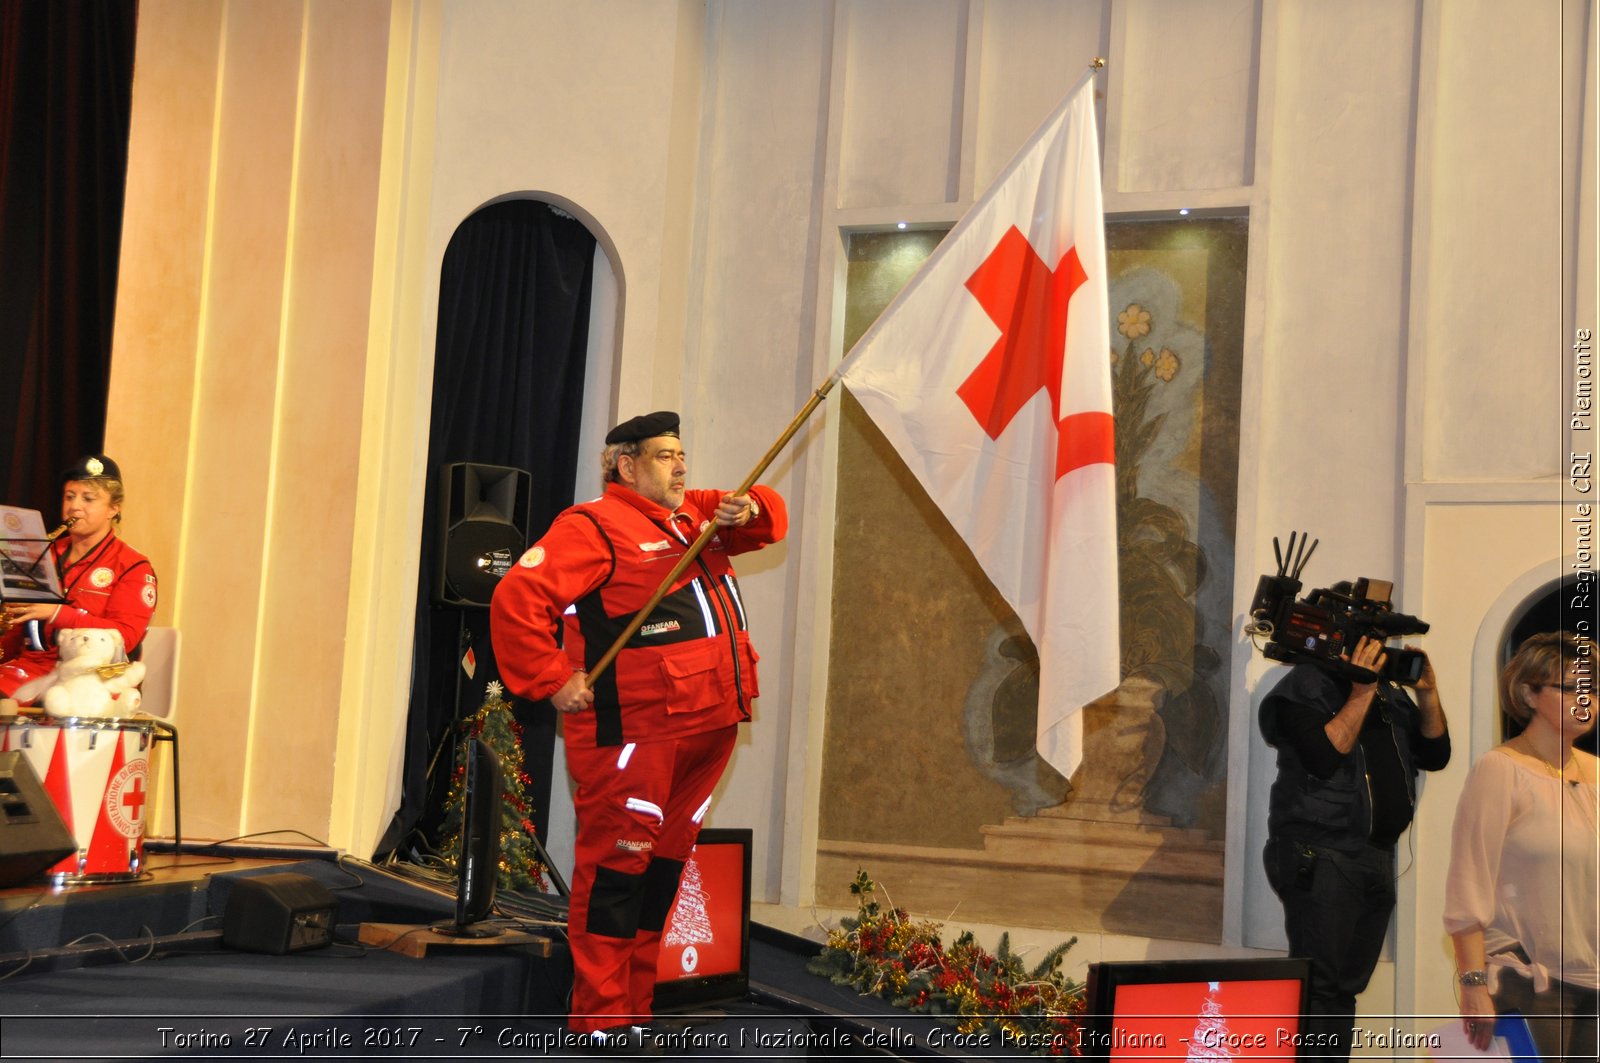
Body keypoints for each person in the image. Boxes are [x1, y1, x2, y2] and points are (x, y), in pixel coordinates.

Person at [490, 411, 786, 1054]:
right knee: (617, 879)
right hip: (636, 736)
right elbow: (517, 597)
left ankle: (636, 1013)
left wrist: (750, 507)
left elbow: (768, 514)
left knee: (662, 877)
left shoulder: (693, 515)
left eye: (682, 454)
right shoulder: (593, 526)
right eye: (663, 456)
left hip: (708, 731)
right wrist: (551, 677)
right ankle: (599, 1025)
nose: (680, 467)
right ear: (624, 464)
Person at [1259, 620, 1451, 1060]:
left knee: (1344, 988)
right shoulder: (1306, 684)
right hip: (1321, 852)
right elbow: (1325, 757)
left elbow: (1436, 754)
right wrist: (1361, 691)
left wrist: (1427, 693)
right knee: (1320, 990)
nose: (1379, 651)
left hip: (1373, 856)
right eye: (1370, 643)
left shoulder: (1389, 694)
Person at [1444, 631, 1598, 1062]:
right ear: (1529, 693)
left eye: (1594, 689)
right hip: (1531, 985)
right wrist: (1472, 985)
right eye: (1571, 688)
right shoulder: (1501, 769)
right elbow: (1467, 884)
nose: (1586, 700)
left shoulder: (1598, 772)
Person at [1, 455, 158, 699]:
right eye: (69, 496)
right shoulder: (42, 554)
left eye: (88, 499)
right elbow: (16, 631)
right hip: (35, 667)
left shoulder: (133, 566)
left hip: (97, 677)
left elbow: (124, 638)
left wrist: (56, 614)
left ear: (113, 509)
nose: (74, 506)